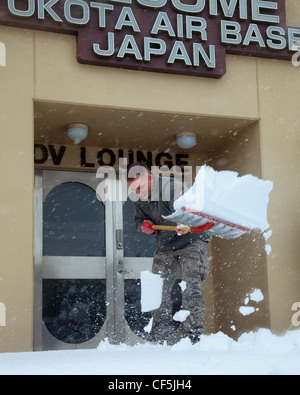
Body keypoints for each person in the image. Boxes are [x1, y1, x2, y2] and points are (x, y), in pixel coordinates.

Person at [127, 161, 211, 345]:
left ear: (150, 178)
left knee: (191, 284)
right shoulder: (139, 197)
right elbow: (139, 220)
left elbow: (192, 214)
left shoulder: (172, 188)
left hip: (191, 240)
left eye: (140, 188)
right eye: (134, 190)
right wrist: (143, 226)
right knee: (157, 288)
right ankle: (162, 335)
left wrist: (184, 222)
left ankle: (193, 335)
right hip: (166, 245)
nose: (138, 193)